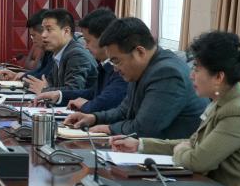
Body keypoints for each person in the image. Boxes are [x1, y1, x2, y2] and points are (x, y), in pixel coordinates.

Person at [111, 31, 240, 186]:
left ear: (219, 77)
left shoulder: (238, 112)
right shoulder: (221, 101)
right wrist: (140, 145)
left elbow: (197, 161)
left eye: (197, 69)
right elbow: (193, 144)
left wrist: (181, 150)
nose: (191, 75)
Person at [64, 17, 207, 139]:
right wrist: (94, 118)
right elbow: (123, 111)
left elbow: (144, 128)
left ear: (139, 52)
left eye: (116, 61)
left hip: (172, 157)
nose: (115, 68)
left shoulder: (167, 73)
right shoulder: (141, 68)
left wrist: (108, 128)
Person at [35, 8, 127, 113]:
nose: (86, 47)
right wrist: (59, 95)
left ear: (105, 38)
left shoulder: (121, 68)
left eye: (88, 41)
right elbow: (92, 93)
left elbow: (106, 102)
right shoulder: (105, 64)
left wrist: (86, 105)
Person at [24, 8, 97, 95]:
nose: (43, 35)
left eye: (49, 30)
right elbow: (50, 84)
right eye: (43, 30)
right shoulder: (59, 52)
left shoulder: (76, 55)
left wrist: (45, 90)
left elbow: (73, 90)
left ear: (66, 31)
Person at [0, 9, 52, 81]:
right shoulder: (48, 51)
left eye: (33, 35)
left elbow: (46, 77)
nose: (32, 40)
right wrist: (17, 75)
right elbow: (41, 72)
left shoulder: (64, 53)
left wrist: (22, 76)